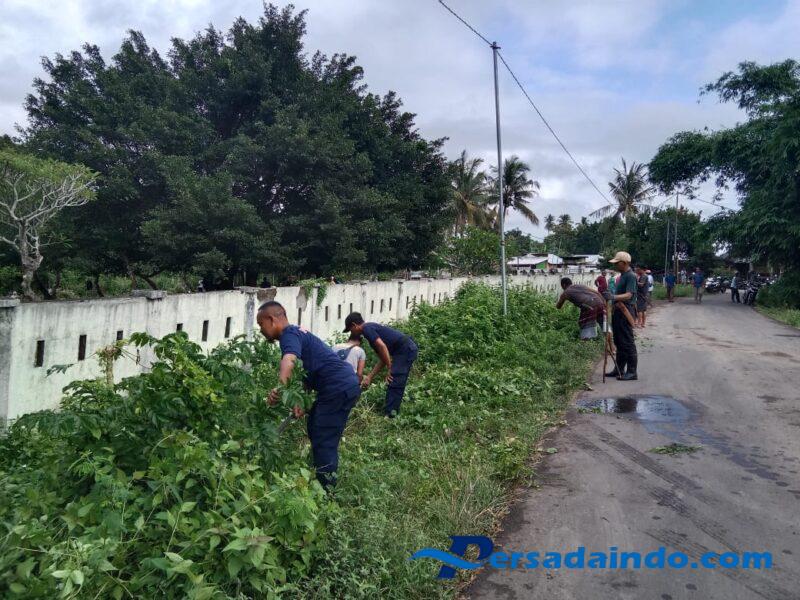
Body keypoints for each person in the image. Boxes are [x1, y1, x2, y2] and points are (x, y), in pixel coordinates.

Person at [257, 301, 360, 489]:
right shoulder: (297, 333)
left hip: (337, 387)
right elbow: (308, 370)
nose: (261, 330)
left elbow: (290, 360)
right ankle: (320, 474)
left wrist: (279, 389)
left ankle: (327, 492)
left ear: (271, 320)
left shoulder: (288, 335)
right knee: (315, 425)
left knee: (323, 437)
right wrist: (301, 401)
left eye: (261, 324)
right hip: (342, 384)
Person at [343, 312, 418, 417]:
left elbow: (382, 346)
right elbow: (383, 358)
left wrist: (390, 368)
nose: (352, 333)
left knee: (394, 379)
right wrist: (369, 377)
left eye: (351, 330)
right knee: (394, 379)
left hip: (405, 349)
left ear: (355, 325)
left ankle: (390, 415)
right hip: (404, 349)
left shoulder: (367, 328)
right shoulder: (370, 332)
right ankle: (390, 412)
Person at [607, 251, 638, 381]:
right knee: (619, 341)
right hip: (618, 311)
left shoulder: (630, 276)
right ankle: (619, 369)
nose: (615, 265)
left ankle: (632, 372)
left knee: (627, 342)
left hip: (625, 311)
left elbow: (629, 295)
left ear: (624, 263)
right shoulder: (623, 275)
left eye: (617, 263)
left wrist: (613, 297)